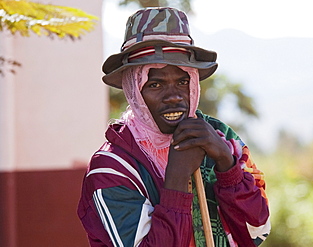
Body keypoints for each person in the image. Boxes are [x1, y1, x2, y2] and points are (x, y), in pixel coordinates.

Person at [78, 7, 270, 247]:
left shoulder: (221, 138)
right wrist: (177, 176)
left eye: (182, 82)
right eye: (155, 84)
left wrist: (226, 164)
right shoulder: (111, 169)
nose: (173, 97)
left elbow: (257, 232)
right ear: (133, 90)